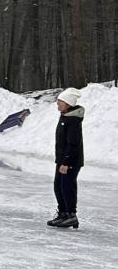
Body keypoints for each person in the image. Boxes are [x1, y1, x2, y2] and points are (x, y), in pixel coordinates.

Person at [49, 88, 84, 229]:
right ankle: (63, 213)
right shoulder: (65, 116)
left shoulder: (73, 120)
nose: (57, 104)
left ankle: (71, 215)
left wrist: (66, 162)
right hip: (62, 160)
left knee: (67, 186)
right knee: (58, 186)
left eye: (60, 102)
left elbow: (73, 143)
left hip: (70, 161)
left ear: (68, 103)